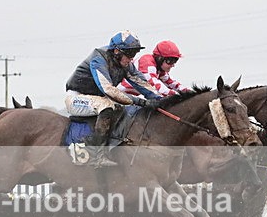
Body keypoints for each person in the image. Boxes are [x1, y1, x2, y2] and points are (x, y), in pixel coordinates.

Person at [64, 30, 161, 168]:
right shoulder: (98, 59)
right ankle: (96, 156)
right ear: (116, 51)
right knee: (107, 106)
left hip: (97, 98)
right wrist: (139, 100)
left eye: (134, 54)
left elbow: (142, 83)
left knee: (124, 109)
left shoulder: (125, 64)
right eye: (130, 54)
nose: (131, 58)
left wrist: (159, 100)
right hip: (76, 97)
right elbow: (108, 90)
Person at [120, 40, 191, 97]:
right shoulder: (147, 62)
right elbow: (154, 86)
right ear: (160, 58)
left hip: (137, 96)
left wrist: (189, 92)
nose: (173, 65)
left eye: (175, 61)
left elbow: (171, 83)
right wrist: (177, 96)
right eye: (170, 61)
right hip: (122, 96)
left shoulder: (159, 68)